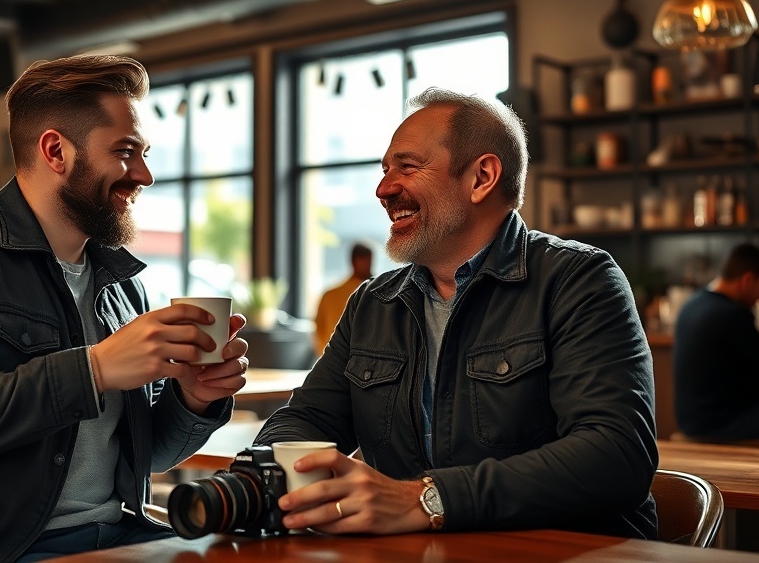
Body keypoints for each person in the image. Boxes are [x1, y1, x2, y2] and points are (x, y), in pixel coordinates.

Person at [0, 55, 250, 562]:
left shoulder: (122, 285)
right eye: (125, 152)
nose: (144, 174)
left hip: (117, 537)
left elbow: (148, 458)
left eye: (144, 153)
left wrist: (193, 400)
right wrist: (94, 369)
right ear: (56, 150)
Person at [254, 87, 657, 539]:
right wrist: (262, 477)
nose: (384, 189)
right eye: (385, 170)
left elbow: (617, 455)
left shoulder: (579, 280)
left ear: (482, 177)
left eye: (407, 167)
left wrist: (426, 500)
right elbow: (307, 419)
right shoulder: (372, 304)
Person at [673, 242, 759, 440]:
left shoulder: (692, 304)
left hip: (691, 421)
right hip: (719, 425)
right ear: (747, 280)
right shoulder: (732, 314)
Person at [312, 242, 373, 356]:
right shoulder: (331, 296)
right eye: (364, 261)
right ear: (354, 262)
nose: (367, 265)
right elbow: (319, 330)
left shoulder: (330, 295)